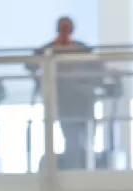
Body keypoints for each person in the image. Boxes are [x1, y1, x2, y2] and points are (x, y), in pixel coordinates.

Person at [32, 16, 98, 169]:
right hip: (63, 100)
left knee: (86, 136)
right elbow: (32, 63)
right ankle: (74, 167)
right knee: (71, 136)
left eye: (68, 27)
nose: (65, 31)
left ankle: (86, 165)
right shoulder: (49, 49)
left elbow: (96, 67)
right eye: (62, 27)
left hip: (84, 99)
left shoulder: (82, 49)